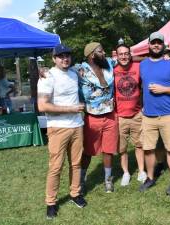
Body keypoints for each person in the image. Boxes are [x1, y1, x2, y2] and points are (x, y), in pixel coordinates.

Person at [37, 44, 87, 219]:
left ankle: (75, 193)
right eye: (61, 56)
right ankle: (51, 202)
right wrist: (71, 109)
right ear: (54, 59)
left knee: (76, 164)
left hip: (77, 126)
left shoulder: (74, 72)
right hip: (58, 127)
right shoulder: (47, 76)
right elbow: (42, 105)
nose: (65, 58)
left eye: (67, 55)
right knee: (56, 167)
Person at [139, 32, 170, 195]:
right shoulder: (143, 64)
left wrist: (164, 89)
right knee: (148, 149)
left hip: (167, 115)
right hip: (148, 116)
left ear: (164, 45)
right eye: (154, 42)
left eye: (159, 43)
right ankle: (150, 178)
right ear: (149, 45)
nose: (156, 45)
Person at [78, 42, 119, 193]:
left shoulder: (108, 63)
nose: (104, 53)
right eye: (101, 51)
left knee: (108, 150)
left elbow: (128, 57)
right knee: (88, 151)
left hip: (110, 116)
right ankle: (81, 181)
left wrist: (164, 56)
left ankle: (108, 180)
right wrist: (44, 70)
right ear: (91, 55)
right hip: (91, 118)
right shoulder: (80, 69)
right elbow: (61, 70)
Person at [113, 43, 147, 186]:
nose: (124, 56)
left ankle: (141, 171)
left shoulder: (138, 67)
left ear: (130, 54)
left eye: (126, 53)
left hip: (136, 114)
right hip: (120, 116)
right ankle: (126, 173)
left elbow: (149, 61)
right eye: (121, 54)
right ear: (117, 56)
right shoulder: (112, 70)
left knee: (139, 145)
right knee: (122, 148)